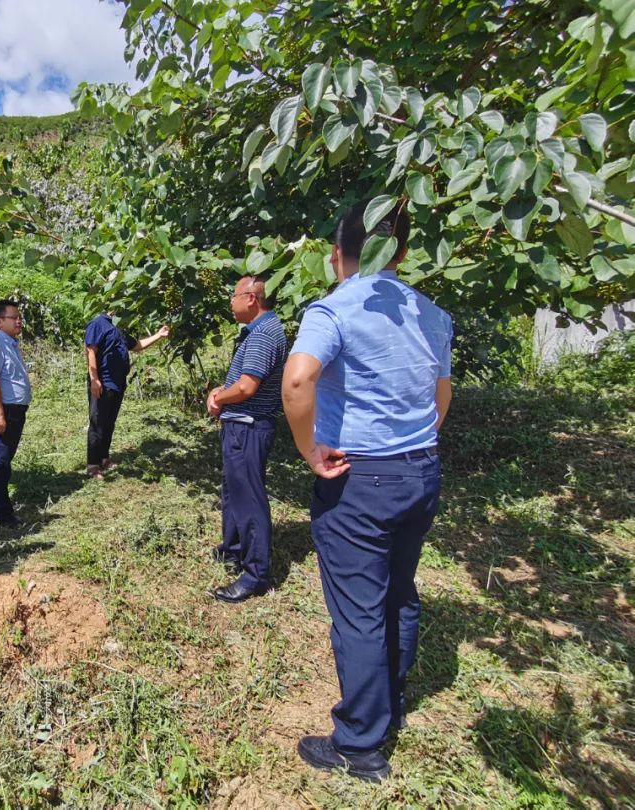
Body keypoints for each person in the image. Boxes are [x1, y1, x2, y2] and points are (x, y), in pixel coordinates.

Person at [282, 199, 452, 782]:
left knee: (358, 611)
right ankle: (390, 704)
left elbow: (299, 378)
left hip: (359, 479)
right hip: (420, 470)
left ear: (336, 256)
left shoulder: (332, 310)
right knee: (400, 595)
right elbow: (441, 397)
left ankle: (359, 742)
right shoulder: (430, 314)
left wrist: (309, 449)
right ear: (401, 253)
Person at [206, 275, 288, 603]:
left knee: (249, 499)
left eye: (234, 295)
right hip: (241, 425)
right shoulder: (259, 331)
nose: (231, 301)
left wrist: (218, 398)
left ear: (251, 298)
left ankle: (256, 573)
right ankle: (234, 549)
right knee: (234, 492)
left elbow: (246, 387)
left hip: (249, 426)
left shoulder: (264, 335)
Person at [84, 314, 169, 477]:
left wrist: (159, 335)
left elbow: (137, 345)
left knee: (109, 422)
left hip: (118, 383)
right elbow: (91, 351)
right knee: (98, 421)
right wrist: (94, 379)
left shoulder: (118, 327)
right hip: (103, 382)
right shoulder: (98, 324)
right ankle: (93, 466)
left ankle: (104, 458)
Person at [0, 299, 31, 527]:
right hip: (6, 411)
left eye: (19, 317)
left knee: (5, 459)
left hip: (15, 410)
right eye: (14, 318)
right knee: (0, 461)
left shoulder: (10, 343)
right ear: (0, 321)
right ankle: (2, 513)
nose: (19, 322)